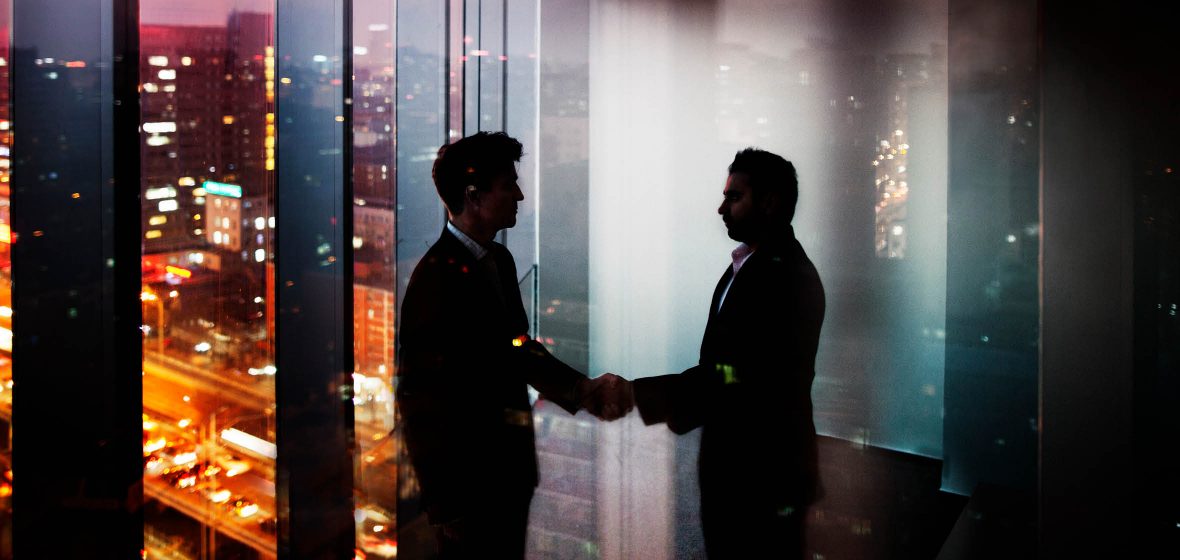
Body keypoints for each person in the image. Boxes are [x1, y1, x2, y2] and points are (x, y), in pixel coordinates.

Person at [395, 131, 629, 559]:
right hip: (469, 492)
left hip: (507, 474)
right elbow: (418, 401)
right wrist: (446, 506)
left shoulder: (498, 261)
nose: (520, 194)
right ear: (473, 195)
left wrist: (579, 388)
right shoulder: (434, 281)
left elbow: (517, 346)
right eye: (508, 185)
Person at [629, 148, 825, 559]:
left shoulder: (783, 277)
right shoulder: (751, 266)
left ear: (769, 201)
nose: (721, 208)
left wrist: (634, 394)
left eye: (734, 197)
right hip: (745, 478)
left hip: (761, 482)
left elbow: (735, 375)